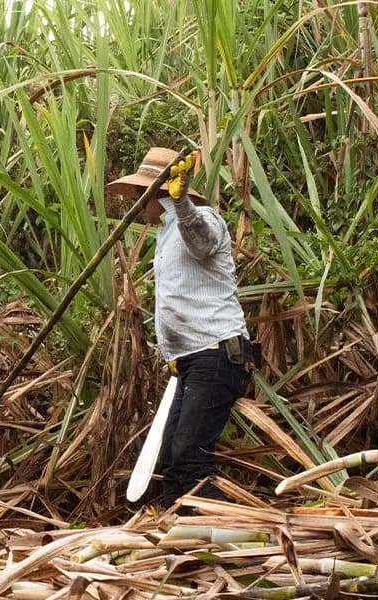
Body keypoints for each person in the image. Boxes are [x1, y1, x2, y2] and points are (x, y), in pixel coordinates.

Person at [107, 147, 255, 507]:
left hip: (217, 353)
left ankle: (223, 537)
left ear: (159, 192)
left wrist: (183, 201)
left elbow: (202, 242)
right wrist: (174, 352)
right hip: (191, 360)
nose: (140, 206)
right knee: (174, 459)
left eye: (144, 196)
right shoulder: (166, 233)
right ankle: (179, 539)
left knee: (190, 455)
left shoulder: (201, 219)